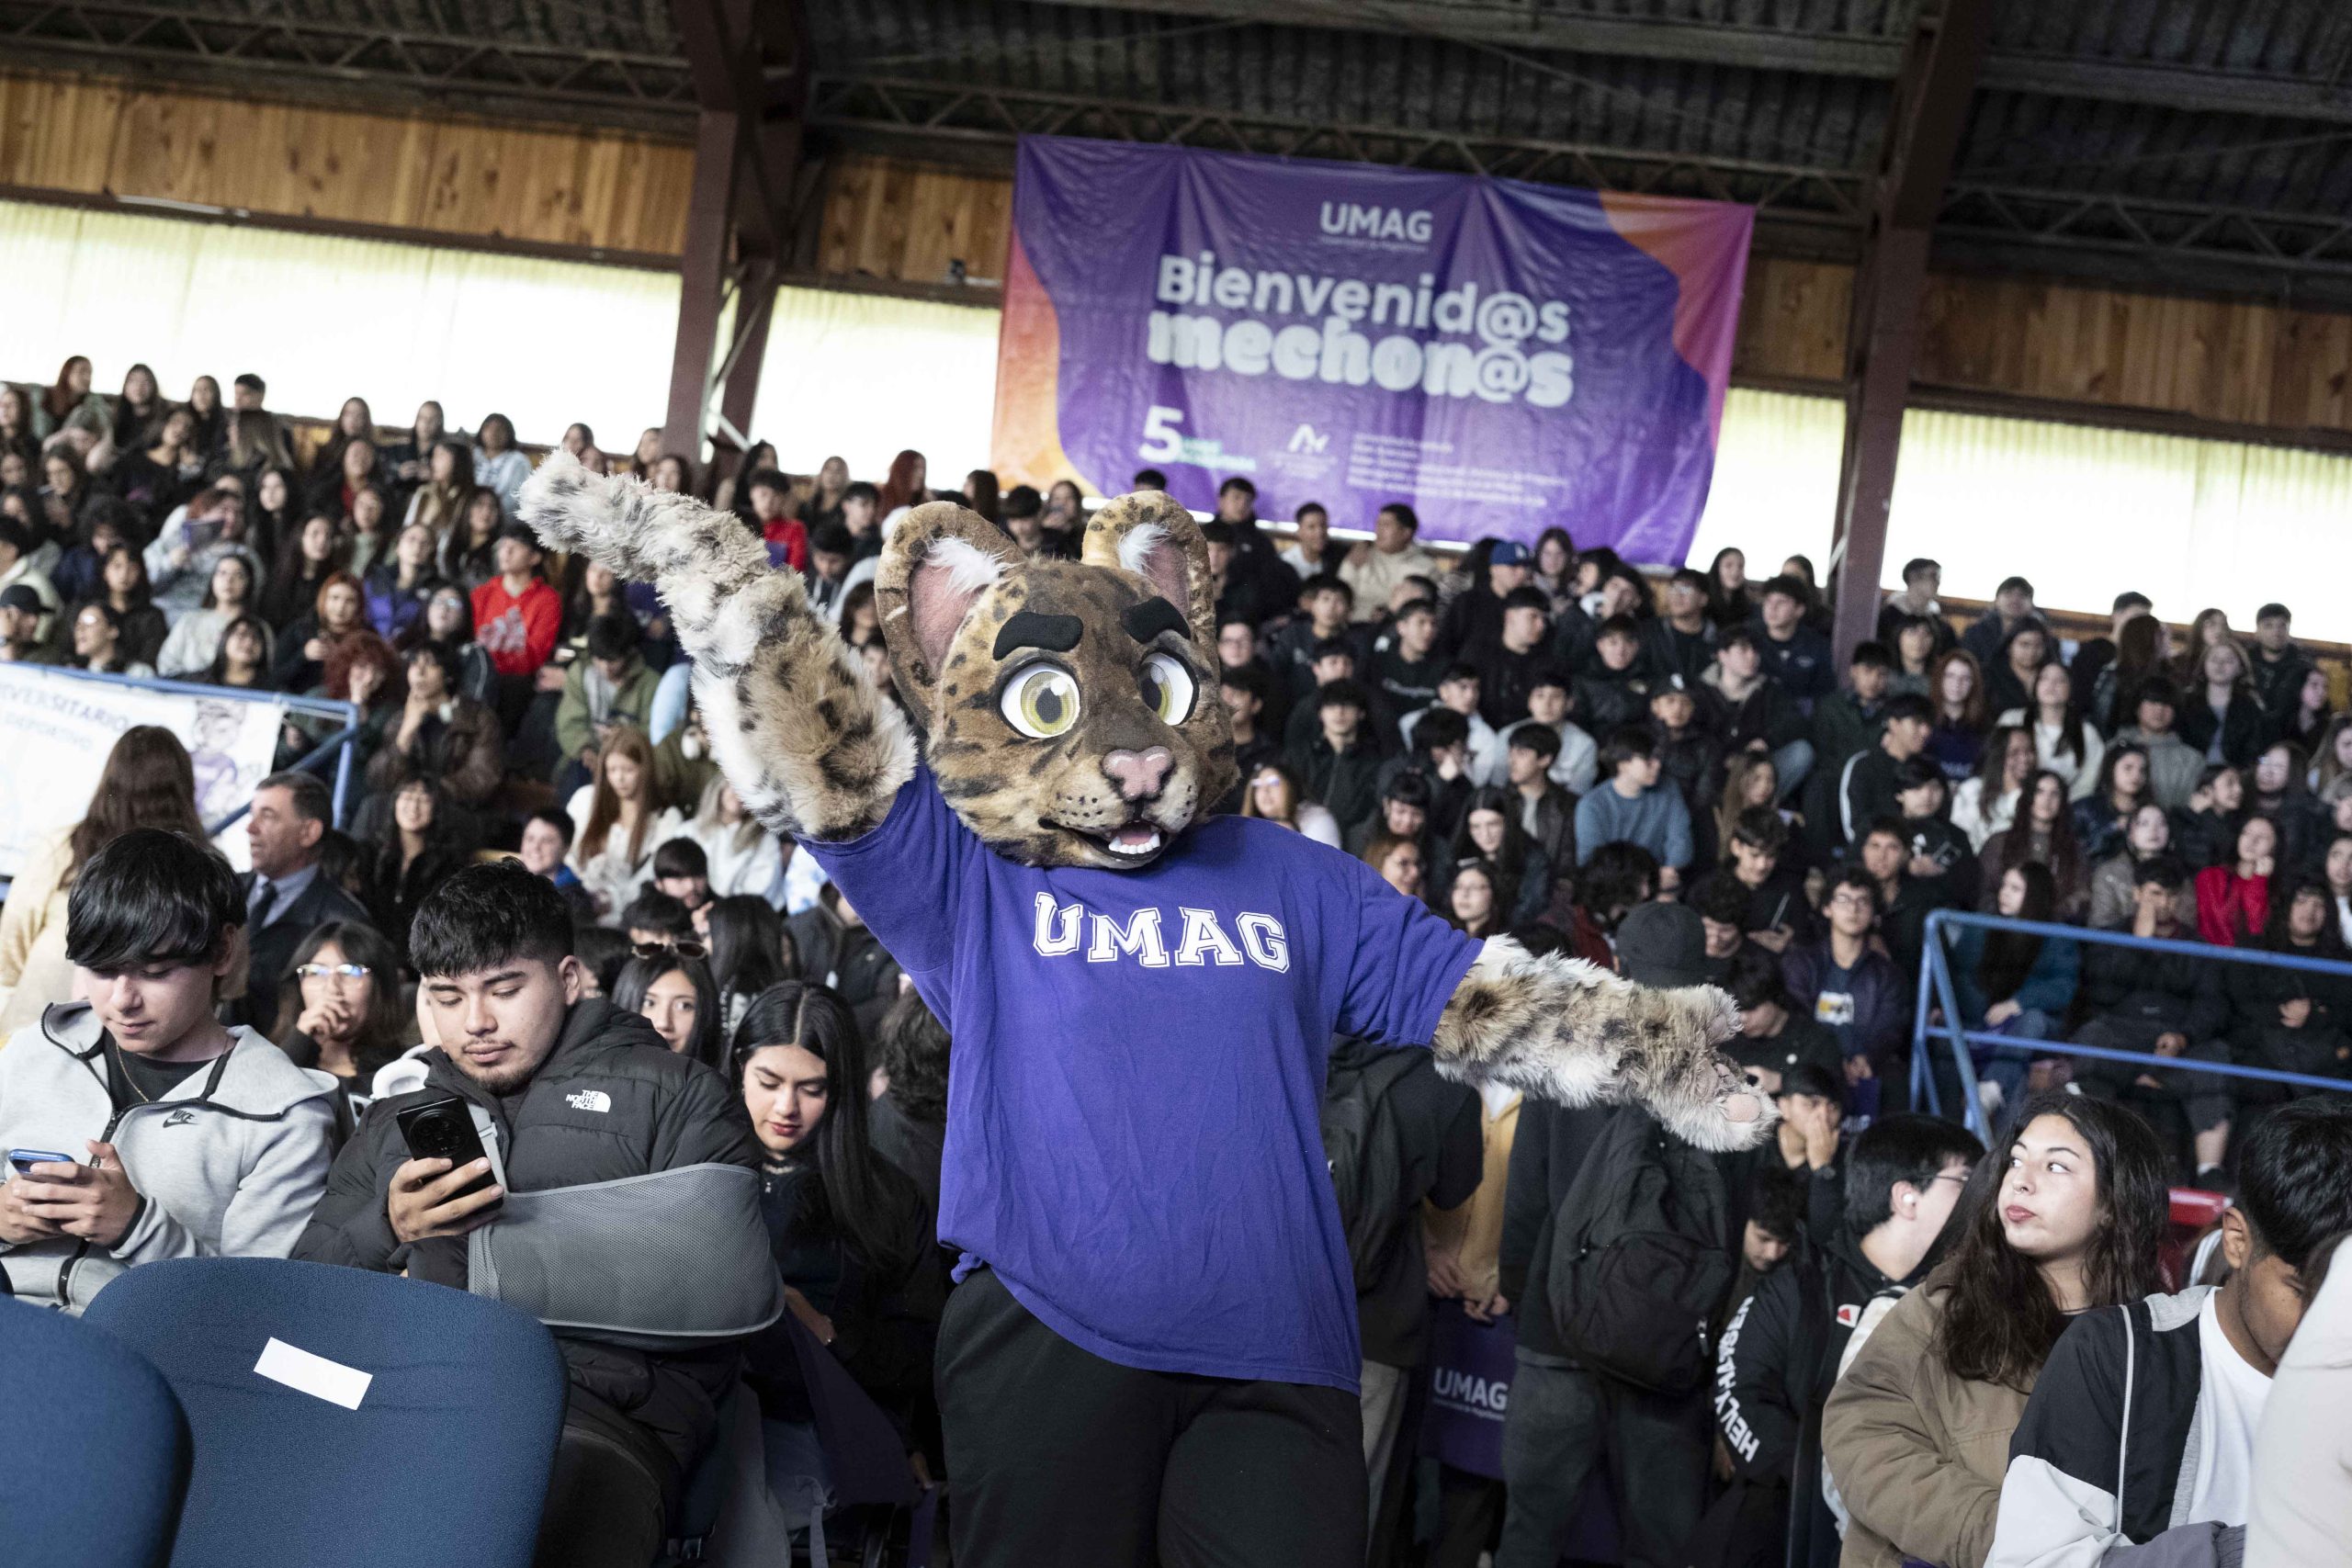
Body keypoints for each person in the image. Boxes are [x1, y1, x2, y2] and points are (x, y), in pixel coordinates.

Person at [292, 860, 769, 1568]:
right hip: (395, 1398)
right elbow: (302, 1296)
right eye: (448, 996)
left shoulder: (681, 1096)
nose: (476, 1022)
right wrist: (389, 1229)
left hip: (590, 1418)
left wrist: (474, 1259)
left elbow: (726, 1284)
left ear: (569, 978)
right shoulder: (393, 1120)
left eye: (505, 989)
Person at [1493, 903, 1752, 1568]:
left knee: (1530, 1533)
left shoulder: (1562, 1061)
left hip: (1557, 1323)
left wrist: (1527, 1296)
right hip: (1667, 1344)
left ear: (1618, 966)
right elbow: (1733, 1232)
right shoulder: (1730, 1087)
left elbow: (1525, 1202)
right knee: (1661, 1547)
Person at [1987, 1100, 2352, 1563]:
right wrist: (2242, 1552)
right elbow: (2034, 1561)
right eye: (2302, 1291)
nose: (2331, 1322)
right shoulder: (2116, 1356)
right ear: (2237, 1241)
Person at [1821, 1095, 2170, 1568]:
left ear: (2113, 1202)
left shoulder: (2156, 1340)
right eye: (2016, 1161)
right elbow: (1861, 1435)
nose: (2021, 1181)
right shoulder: (1942, 1309)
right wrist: (2005, 1535)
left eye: (2056, 1166)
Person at [0, 829, 337, 1312]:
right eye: (101, 970)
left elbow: (253, 1311)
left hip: (137, 1343)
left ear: (222, 952)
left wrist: (137, 1227)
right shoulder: (35, 1051)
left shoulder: (283, 1115)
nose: (122, 1001)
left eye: (154, 973)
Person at [1712, 1114, 1984, 1568]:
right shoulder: (1802, 1285)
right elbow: (1738, 1388)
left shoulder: (1959, 1302)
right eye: (1965, 1182)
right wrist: (1816, 1478)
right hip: (1784, 1525)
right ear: (1906, 1197)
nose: (1981, 1198)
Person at [735, 982, 944, 1440]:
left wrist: (828, 1332)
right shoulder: (697, 1172)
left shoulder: (885, 1196)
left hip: (825, 1428)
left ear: (841, 1090)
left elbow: (923, 1348)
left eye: (811, 1089)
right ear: (739, 1070)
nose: (786, 1107)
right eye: (769, 1083)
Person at [1327, 1021, 1483, 1542]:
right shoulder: (1442, 1078)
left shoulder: (1304, 1039)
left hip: (1278, 1309)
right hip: (1379, 1321)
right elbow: (1455, 1188)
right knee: (1352, 1502)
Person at [0, 726, 209, 1035]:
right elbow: (229, 975)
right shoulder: (206, 867)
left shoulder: (64, 846)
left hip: (36, 1027)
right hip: (145, 1044)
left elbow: (12, 938)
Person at [233, 771, 371, 1031]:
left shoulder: (343, 919)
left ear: (309, 832)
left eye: (268, 816)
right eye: (253, 814)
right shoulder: (222, 891)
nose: (250, 828)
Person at [1782, 867, 1907, 1105]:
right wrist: (1831, 1059)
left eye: (1863, 901)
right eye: (1843, 900)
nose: (1853, 909)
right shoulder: (1801, 963)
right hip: (1809, 1064)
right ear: (1827, 908)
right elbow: (1795, 1020)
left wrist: (1866, 1058)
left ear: (1874, 912)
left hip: (1863, 1069)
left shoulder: (1888, 975)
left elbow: (1889, 1030)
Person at [270, 919, 411, 1110]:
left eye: (350, 972)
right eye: (315, 972)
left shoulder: (403, 1068)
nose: (332, 989)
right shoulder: (272, 1057)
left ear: (380, 985)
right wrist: (300, 1043)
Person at [565, 726, 686, 923]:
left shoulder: (665, 819)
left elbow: (650, 877)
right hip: (577, 904)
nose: (619, 779)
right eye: (612, 770)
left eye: (628, 770)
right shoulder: (585, 800)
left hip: (626, 914)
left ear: (645, 769)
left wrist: (611, 900)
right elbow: (567, 854)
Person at [1575, 723, 1695, 886]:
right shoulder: (1592, 805)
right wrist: (1642, 881)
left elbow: (1680, 840)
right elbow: (1591, 861)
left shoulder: (1668, 789)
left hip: (1662, 880)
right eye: (1648, 760)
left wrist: (1669, 870)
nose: (1657, 765)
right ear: (1623, 764)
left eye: (1658, 758)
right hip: (1614, 887)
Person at [554, 612, 661, 793]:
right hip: (586, 755)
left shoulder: (650, 683)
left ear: (627, 653)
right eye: (600, 659)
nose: (605, 667)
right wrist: (584, 749)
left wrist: (624, 737)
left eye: (613, 660)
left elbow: (655, 732)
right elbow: (569, 723)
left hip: (631, 760)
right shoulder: (580, 673)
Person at [363, 773, 465, 961]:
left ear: (436, 808)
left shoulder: (449, 864)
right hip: (372, 956)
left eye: (424, 800)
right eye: (407, 797)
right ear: (395, 802)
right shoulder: (372, 854)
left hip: (420, 960)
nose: (413, 807)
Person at [1994, 660, 2106, 802]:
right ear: (2035, 685)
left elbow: (2086, 784)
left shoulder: (2087, 734)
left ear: (2071, 689)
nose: (2051, 685)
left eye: (2060, 680)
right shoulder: (2012, 720)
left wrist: (2059, 806)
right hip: (2011, 800)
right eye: (2044, 678)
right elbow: (1997, 764)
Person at [153, 550, 259, 677]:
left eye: (238, 575)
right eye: (222, 573)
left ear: (249, 582)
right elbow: (167, 663)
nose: (229, 580)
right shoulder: (190, 620)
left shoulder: (256, 628)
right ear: (212, 580)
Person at [1341, 502, 1440, 626]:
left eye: (1386, 525)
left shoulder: (1425, 568)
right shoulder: (1361, 555)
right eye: (1378, 524)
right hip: (1354, 627)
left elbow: (1425, 612)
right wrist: (1350, 566)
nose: (1379, 530)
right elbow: (1342, 595)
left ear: (1406, 533)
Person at [2180, 638, 2265, 768]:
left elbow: (2254, 750)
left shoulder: (2250, 706)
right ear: (2204, 665)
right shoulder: (2186, 701)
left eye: (2228, 661)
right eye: (2214, 659)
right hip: (2189, 770)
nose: (2220, 665)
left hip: (2234, 772)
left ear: (2240, 668)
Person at [2197, 813, 2278, 945]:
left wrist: (2259, 881)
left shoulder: (2274, 889)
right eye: (2247, 833)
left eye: (2262, 837)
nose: (2252, 841)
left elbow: (2256, 929)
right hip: (2209, 953)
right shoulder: (2211, 876)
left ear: (2274, 848)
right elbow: (2216, 925)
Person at [1753, 574, 1833, 705]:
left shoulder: (1816, 646)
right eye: (1768, 601)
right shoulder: (1749, 640)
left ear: (1799, 610)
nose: (1772, 608)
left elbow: (1825, 696)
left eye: (1781, 602)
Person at [518, 807, 597, 924]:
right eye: (530, 839)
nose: (535, 847)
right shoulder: (505, 886)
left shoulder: (576, 902)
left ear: (566, 848)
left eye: (546, 841)